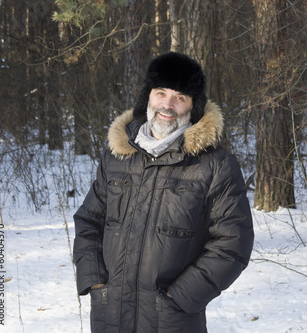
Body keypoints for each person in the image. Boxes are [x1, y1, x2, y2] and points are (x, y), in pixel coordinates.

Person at [73, 52, 254, 333]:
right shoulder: (117, 156)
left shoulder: (215, 164)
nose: (167, 105)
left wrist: (178, 298)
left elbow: (233, 243)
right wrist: (96, 282)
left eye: (179, 97)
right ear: (148, 96)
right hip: (110, 316)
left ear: (192, 106)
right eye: (161, 93)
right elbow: (89, 223)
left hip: (171, 320)